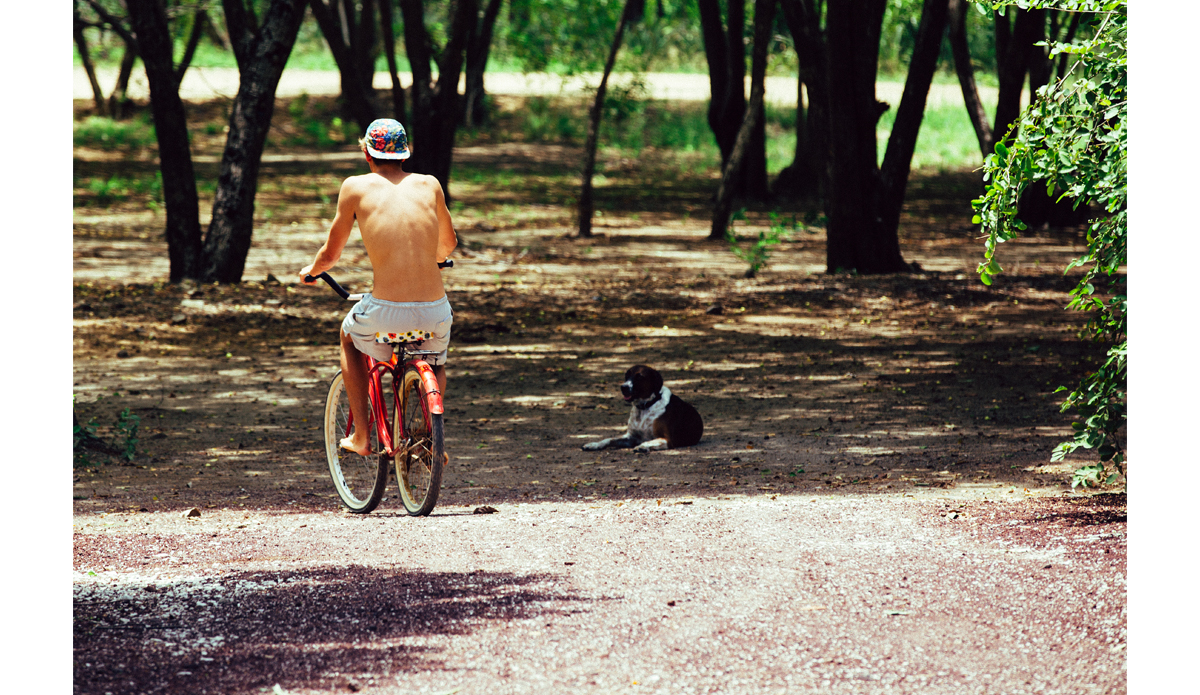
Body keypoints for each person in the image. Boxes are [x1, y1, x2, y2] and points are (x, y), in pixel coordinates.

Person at [299, 119, 457, 456]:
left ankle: (361, 435)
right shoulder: (430, 184)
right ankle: (430, 434)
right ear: (404, 155)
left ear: (367, 155)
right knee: (436, 360)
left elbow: (330, 254)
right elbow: (448, 244)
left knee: (348, 337)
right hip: (435, 310)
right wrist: (435, 257)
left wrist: (312, 272)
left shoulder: (356, 186)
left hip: (387, 311)